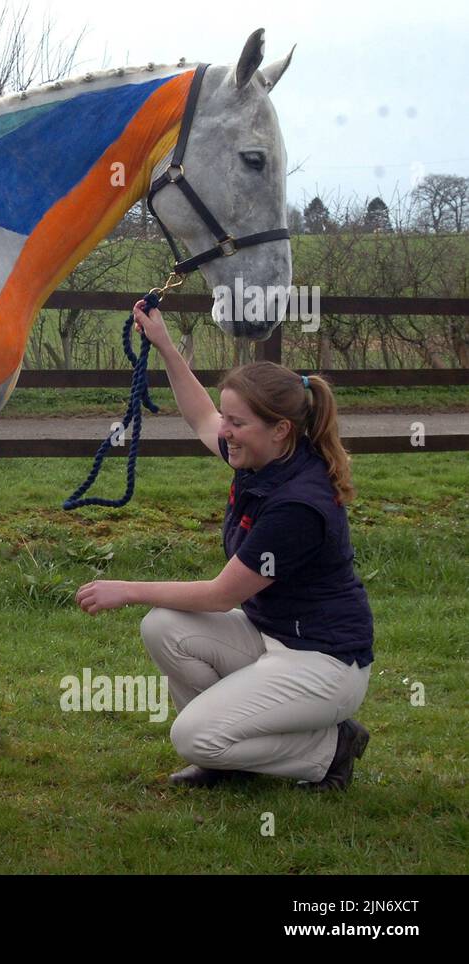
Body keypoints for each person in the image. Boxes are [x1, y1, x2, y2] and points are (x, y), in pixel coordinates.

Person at [75, 300, 374, 792]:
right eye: (227, 418)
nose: (224, 432)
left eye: (236, 423)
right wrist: (165, 346)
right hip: (272, 635)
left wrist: (126, 588)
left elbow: (221, 596)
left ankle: (329, 750)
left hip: (323, 663)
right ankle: (227, 752)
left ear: (280, 430)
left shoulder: (298, 504)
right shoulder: (262, 458)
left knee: (191, 736)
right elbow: (200, 417)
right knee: (163, 627)